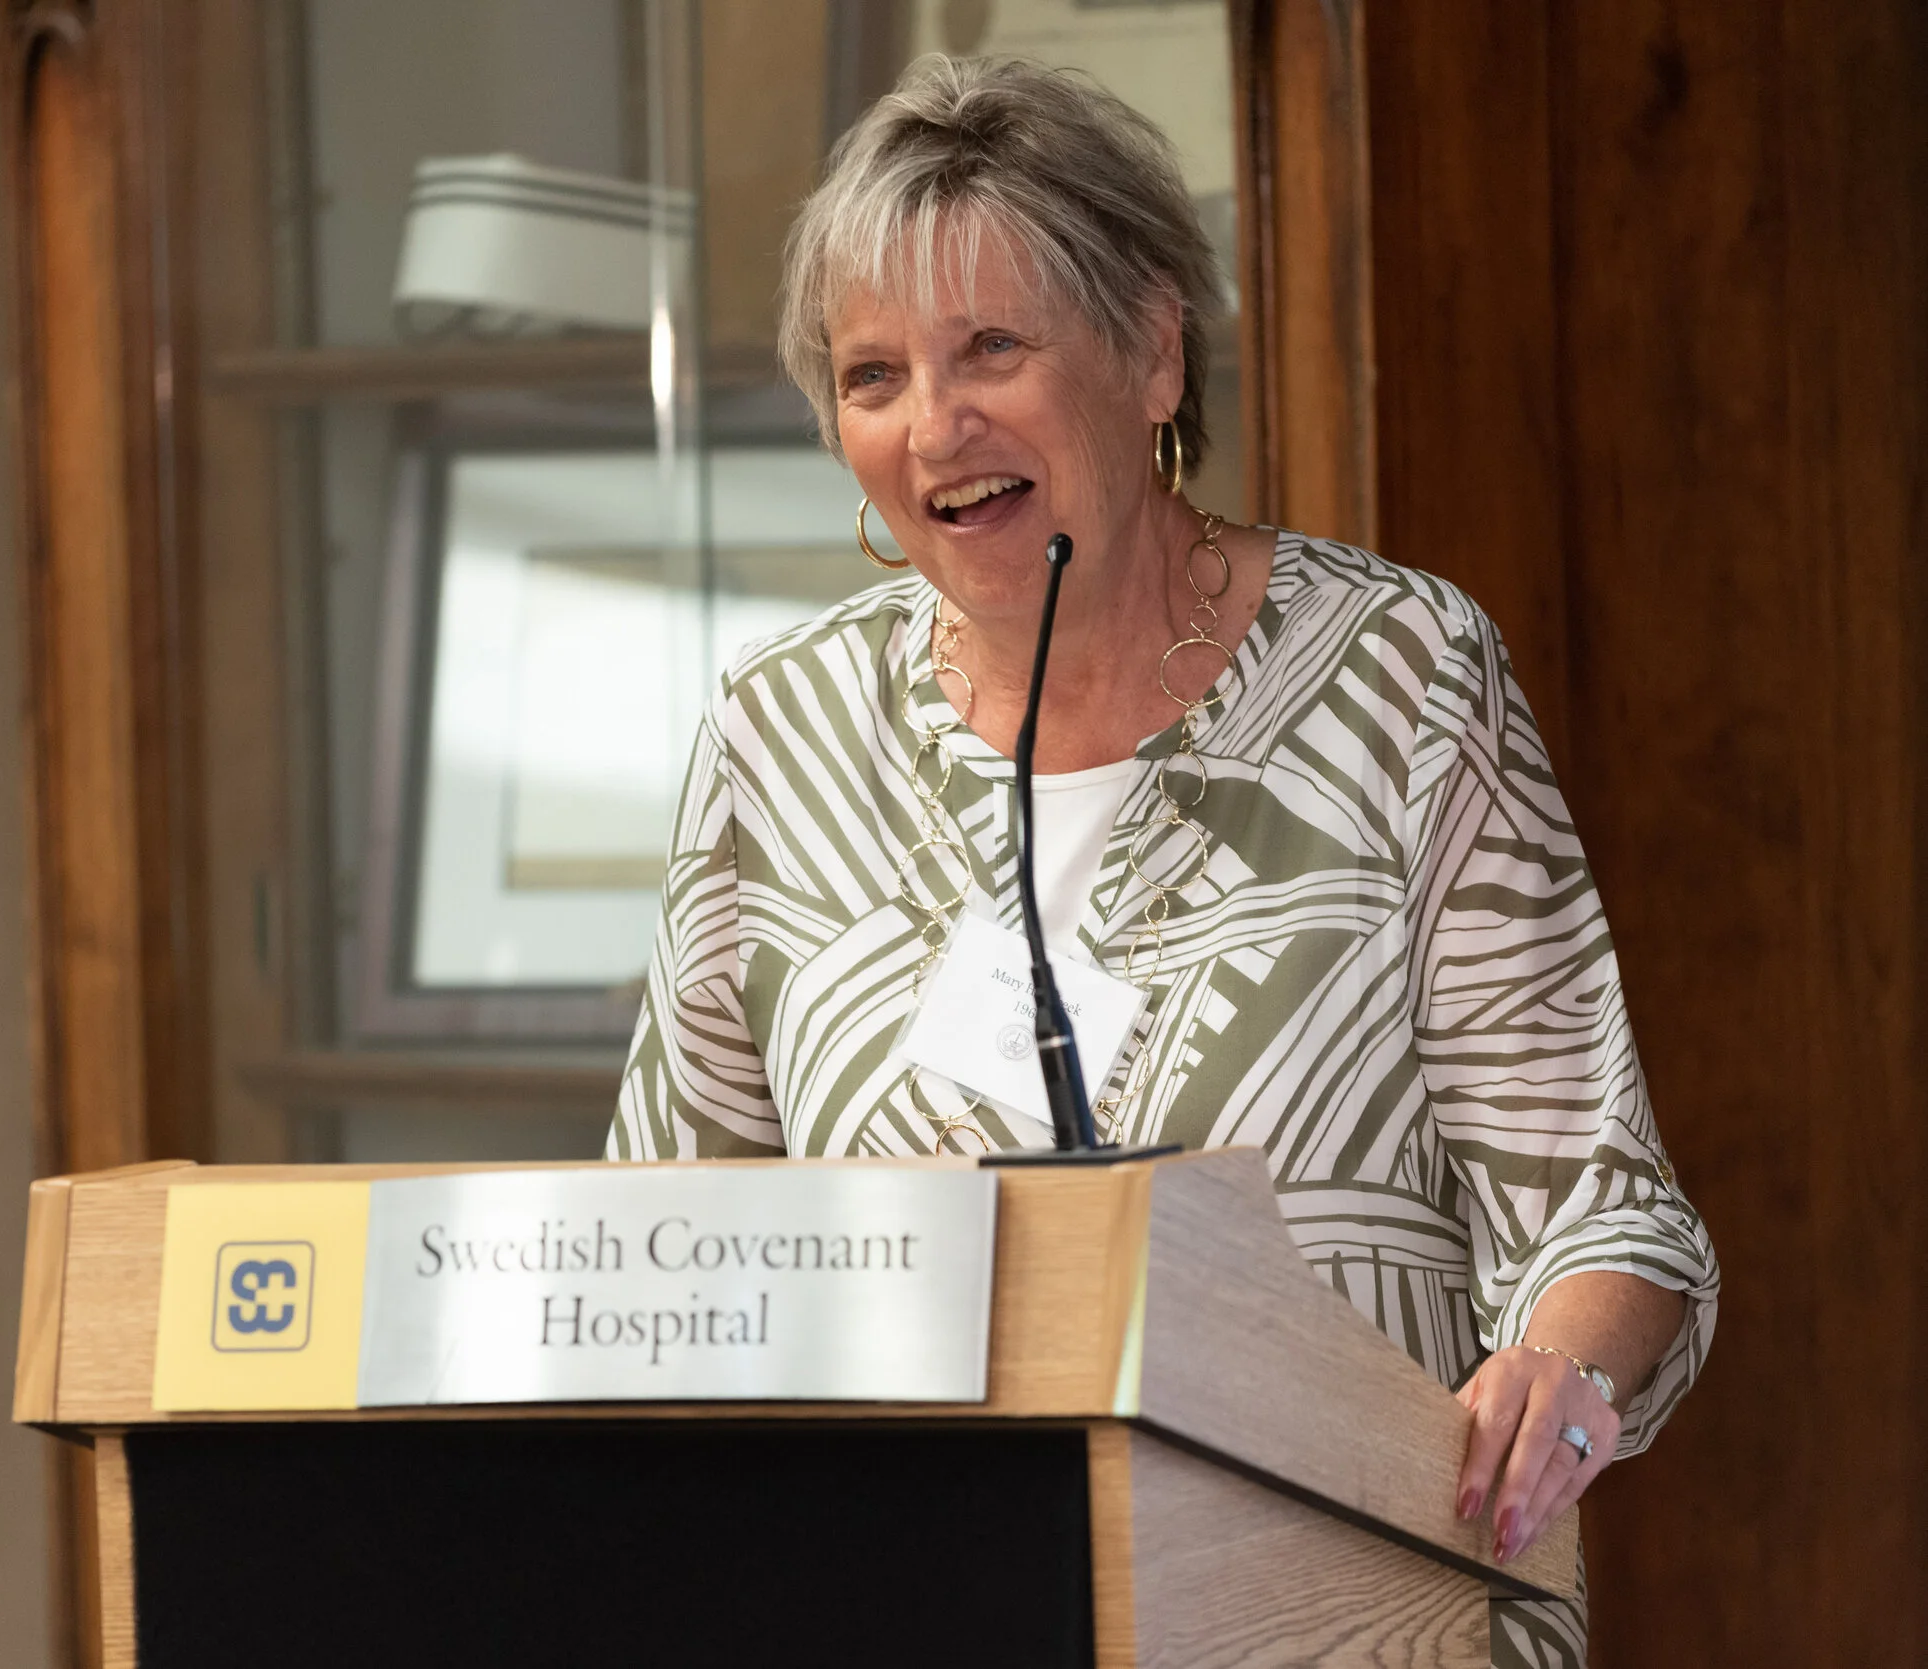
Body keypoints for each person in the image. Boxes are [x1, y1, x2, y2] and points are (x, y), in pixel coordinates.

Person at [606, 55, 1717, 1665]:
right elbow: (660, 1257)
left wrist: (1568, 1371)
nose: (936, 426)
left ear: (1151, 351)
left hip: (1352, 1617)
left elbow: (1605, 1211)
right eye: (873, 376)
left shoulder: (1398, 679)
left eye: (993, 348)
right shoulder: (779, 737)